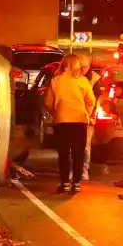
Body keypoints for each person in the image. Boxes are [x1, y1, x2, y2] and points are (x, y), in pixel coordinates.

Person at [44, 54, 96, 194]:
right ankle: (77, 183)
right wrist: (86, 112)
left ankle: (65, 183)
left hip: (62, 121)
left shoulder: (56, 80)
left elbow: (48, 102)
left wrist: (55, 112)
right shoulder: (83, 81)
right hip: (79, 121)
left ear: (64, 64)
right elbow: (91, 100)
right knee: (78, 153)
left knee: (64, 154)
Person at [78, 55, 101, 181]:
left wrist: (92, 116)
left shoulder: (94, 79)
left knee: (85, 146)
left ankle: (83, 170)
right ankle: (74, 169)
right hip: (73, 116)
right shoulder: (72, 78)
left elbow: (96, 99)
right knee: (73, 145)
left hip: (87, 117)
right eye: (80, 67)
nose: (82, 69)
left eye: (85, 67)